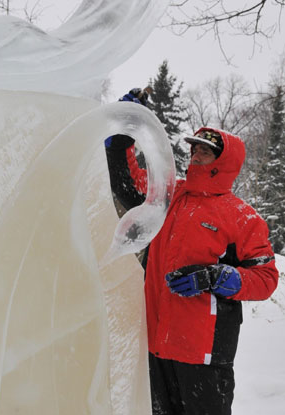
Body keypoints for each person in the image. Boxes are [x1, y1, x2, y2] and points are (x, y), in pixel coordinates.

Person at [105, 89, 279, 415]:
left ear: (224, 162)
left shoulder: (242, 217)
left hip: (204, 354)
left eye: (206, 151)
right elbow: (128, 183)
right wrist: (122, 136)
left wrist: (217, 276)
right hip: (157, 346)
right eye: (195, 148)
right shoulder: (170, 194)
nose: (196, 154)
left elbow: (266, 278)